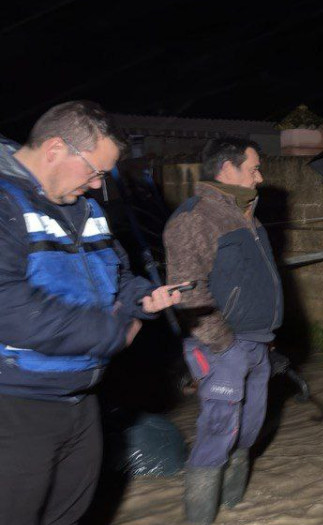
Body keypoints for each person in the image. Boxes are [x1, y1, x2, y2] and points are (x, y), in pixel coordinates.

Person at [0, 100, 182, 525]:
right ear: (55, 150)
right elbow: (8, 304)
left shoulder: (86, 209)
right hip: (16, 403)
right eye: (97, 171)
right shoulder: (6, 205)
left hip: (82, 400)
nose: (101, 186)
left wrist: (143, 298)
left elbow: (116, 274)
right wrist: (110, 330)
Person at [163, 137, 283, 524]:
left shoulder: (248, 216)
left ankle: (234, 508)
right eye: (254, 168)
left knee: (250, 427)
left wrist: (268, 330)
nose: (260, 177)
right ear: (227, 168)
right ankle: (199, 515)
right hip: (221, 343)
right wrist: (222, 343)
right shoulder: (195, 217)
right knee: (219, 428)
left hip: (258, 342)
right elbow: (186, 290)